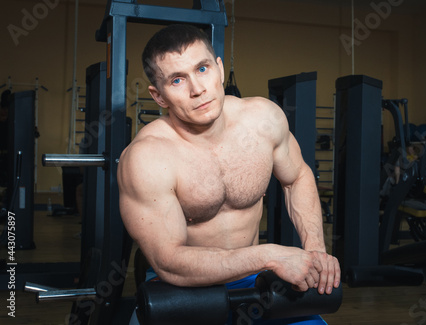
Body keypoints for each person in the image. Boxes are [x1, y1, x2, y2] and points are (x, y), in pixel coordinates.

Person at [117, 24, 341, 324]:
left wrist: (315, 251)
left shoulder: (263, 118)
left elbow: (297, 177)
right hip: (182, 288)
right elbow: (169, 262)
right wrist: (270, 256)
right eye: (178, 80)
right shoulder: (147, 157)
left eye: (203, 68)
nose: (197, 89)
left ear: (220, 68)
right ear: (159, 96)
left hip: (254, 282)